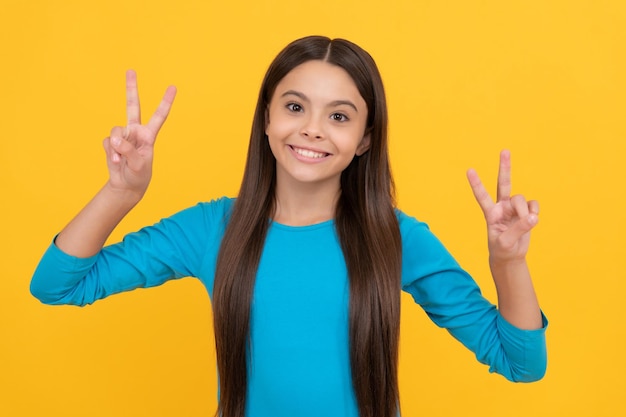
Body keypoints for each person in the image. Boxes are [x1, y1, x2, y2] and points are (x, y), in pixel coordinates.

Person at [31, 36, 547, 417]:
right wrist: (122, 192)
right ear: (267, 119)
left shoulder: (398, 238)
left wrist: (508, 262)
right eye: (295, 107)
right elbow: (56, 285)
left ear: (366, 139)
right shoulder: (213, 228)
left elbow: (521, 363)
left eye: (339, 117)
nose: (311, 129)